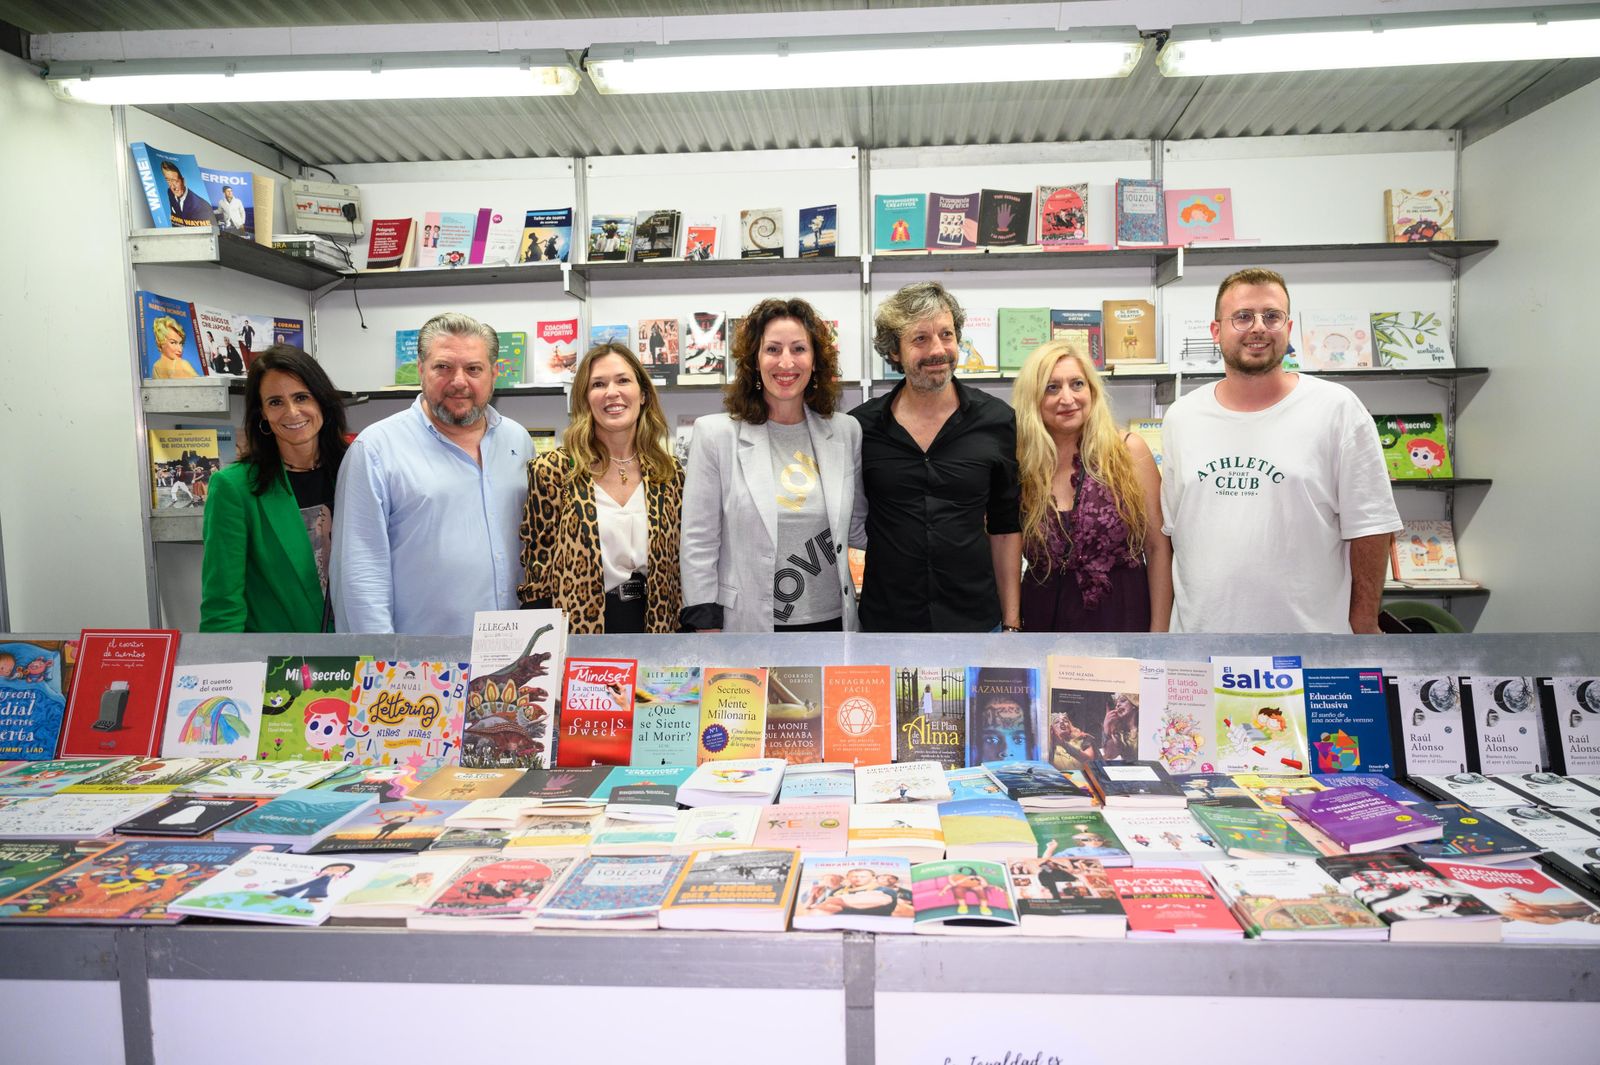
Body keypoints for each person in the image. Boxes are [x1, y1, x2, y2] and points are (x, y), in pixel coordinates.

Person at [1160, 268, 1401, 633]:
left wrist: (1364, 622)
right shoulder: (1182, 417)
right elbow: (1174, 532)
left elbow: (1372, 526)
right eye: (1242, 317)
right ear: (1215, 331)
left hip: (1310, 648)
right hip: (1199, 645)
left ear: (1288, 329)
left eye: (1271, 316)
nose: (1258, 327)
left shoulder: (1337, 408)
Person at [332, 312, 529, 634]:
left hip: (512, 649)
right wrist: (380, 663)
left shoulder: (518, 440)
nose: (459, 381)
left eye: (473, 369)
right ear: (421, 370)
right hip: (419, 665)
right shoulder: (375, 450)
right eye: (443, 367)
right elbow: (360, 573)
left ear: (494, 374)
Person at [680, 297, 864, 632]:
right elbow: (698, 541)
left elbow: (857, 527)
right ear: (754, 360)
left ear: (816, 360)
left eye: (798, 349)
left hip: (832, 624)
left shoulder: (845, 432)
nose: (786, 362)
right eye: (773, 349)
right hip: (747, 623)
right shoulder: (715, 435)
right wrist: (705, 623)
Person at [851, 281, 1021, 632]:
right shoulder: (861, 427)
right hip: (887, 626)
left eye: (946, 335)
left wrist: (1013, 623)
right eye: (920, 339)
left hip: (976, 622)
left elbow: (1005, 529)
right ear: (894, 351)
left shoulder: (996, 420)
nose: (938, 350)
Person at [519, 343, 684, 634]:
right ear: (584, 399)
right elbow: (538, 572)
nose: (612, 392)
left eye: (623, 380)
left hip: (659, 629)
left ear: (643, 394)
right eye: (598, 384)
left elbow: (684, 567)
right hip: (583, 633)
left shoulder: (669, 472)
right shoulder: (553, 470)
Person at [1013, 340, 1171, 632]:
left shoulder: (1127, 451)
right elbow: (1004, 548)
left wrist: (1159, 634)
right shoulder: (1020, 464)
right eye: (1052, 387)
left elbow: (1158, 548)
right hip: (1042, 622)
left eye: (1077, 384)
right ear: (1032, 398)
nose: (1067, 398)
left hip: (1121, 617)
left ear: (1092, 391)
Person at [201, 345, 351, 632]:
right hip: (279, 667)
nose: (292, 412)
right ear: (262, 414)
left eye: (301, 397)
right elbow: (223, 605)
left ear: (322, 401)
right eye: (275, 402)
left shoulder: (358, 471)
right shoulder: (233, 488)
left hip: (363, 659)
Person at [160, 159, 212, 226]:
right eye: (168, 181)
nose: (173, 187)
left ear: (183, 181)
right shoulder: (170, 192)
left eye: (175, 181)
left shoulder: (201, 206)